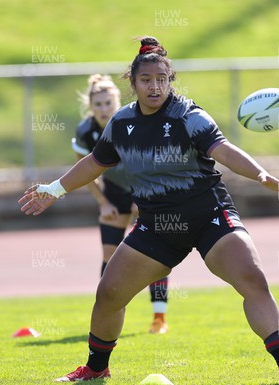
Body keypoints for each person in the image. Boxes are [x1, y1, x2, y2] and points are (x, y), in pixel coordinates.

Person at [20, 36, 279, 383]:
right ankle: (96, 369)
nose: (155, 86)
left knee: (252, 278)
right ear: (133, 83)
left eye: (161, 79)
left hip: (209, 217)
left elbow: (225, 150)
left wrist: (261, 174)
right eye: (146, 80)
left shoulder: (190, 116)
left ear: (170, 80)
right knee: (109, 293)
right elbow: (94, 163)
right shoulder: (121, 124)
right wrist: (54, 190)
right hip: (157, 226)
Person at [73, 74, 170, 334]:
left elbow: (153, 163)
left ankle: (159, 317)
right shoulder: (85, 131)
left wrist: (145, 200)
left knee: (157, 256)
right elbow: (84, 172)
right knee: (109, 256)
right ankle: (106, 315)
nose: (104, 109)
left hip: (146, 192)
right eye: (99, 104)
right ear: (91, 106)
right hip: (114, 193)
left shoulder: (134, 121)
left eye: (108, 103)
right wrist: (103, 202)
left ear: (117, 102)